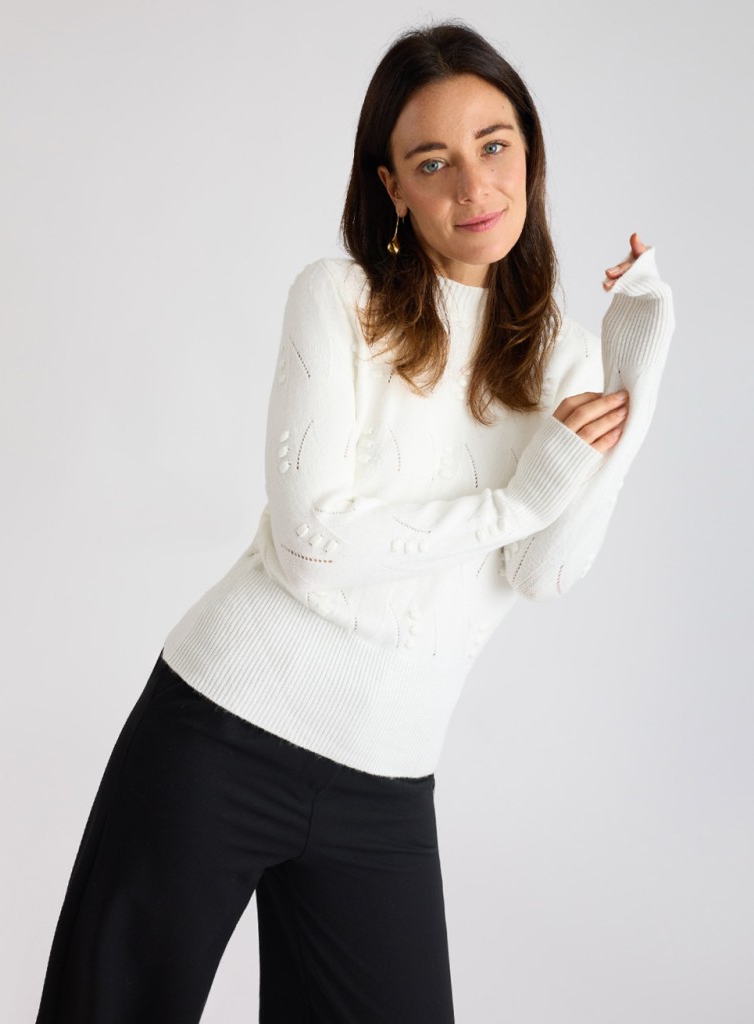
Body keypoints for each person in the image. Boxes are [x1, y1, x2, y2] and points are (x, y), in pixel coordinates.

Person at [35, 21, 674, 1024]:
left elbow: (542, 570)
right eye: (434, 161)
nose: (474, 186)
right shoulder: (338, 301)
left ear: (530, 153)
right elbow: (312, 546)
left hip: (387, 784)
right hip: (219, 734)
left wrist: (634, 375)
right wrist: (518, 498)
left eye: (494, 145)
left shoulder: (564, 358)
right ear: (393, 187)